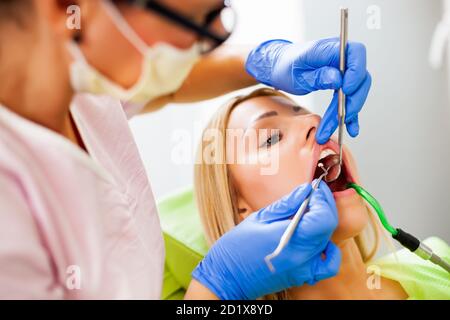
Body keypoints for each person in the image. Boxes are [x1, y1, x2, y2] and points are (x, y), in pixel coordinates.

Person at [0, 0, 371, 299]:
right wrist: (216, 289)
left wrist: (263, 60)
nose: (311, 123)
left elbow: (165, 80)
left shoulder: (80, 76)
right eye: (196, 20)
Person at [191, 88, 450, 300]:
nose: (314, 120)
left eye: (305, 113)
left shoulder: (435, 265)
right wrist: (219, 282)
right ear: (242, 211)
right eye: (271, 138)